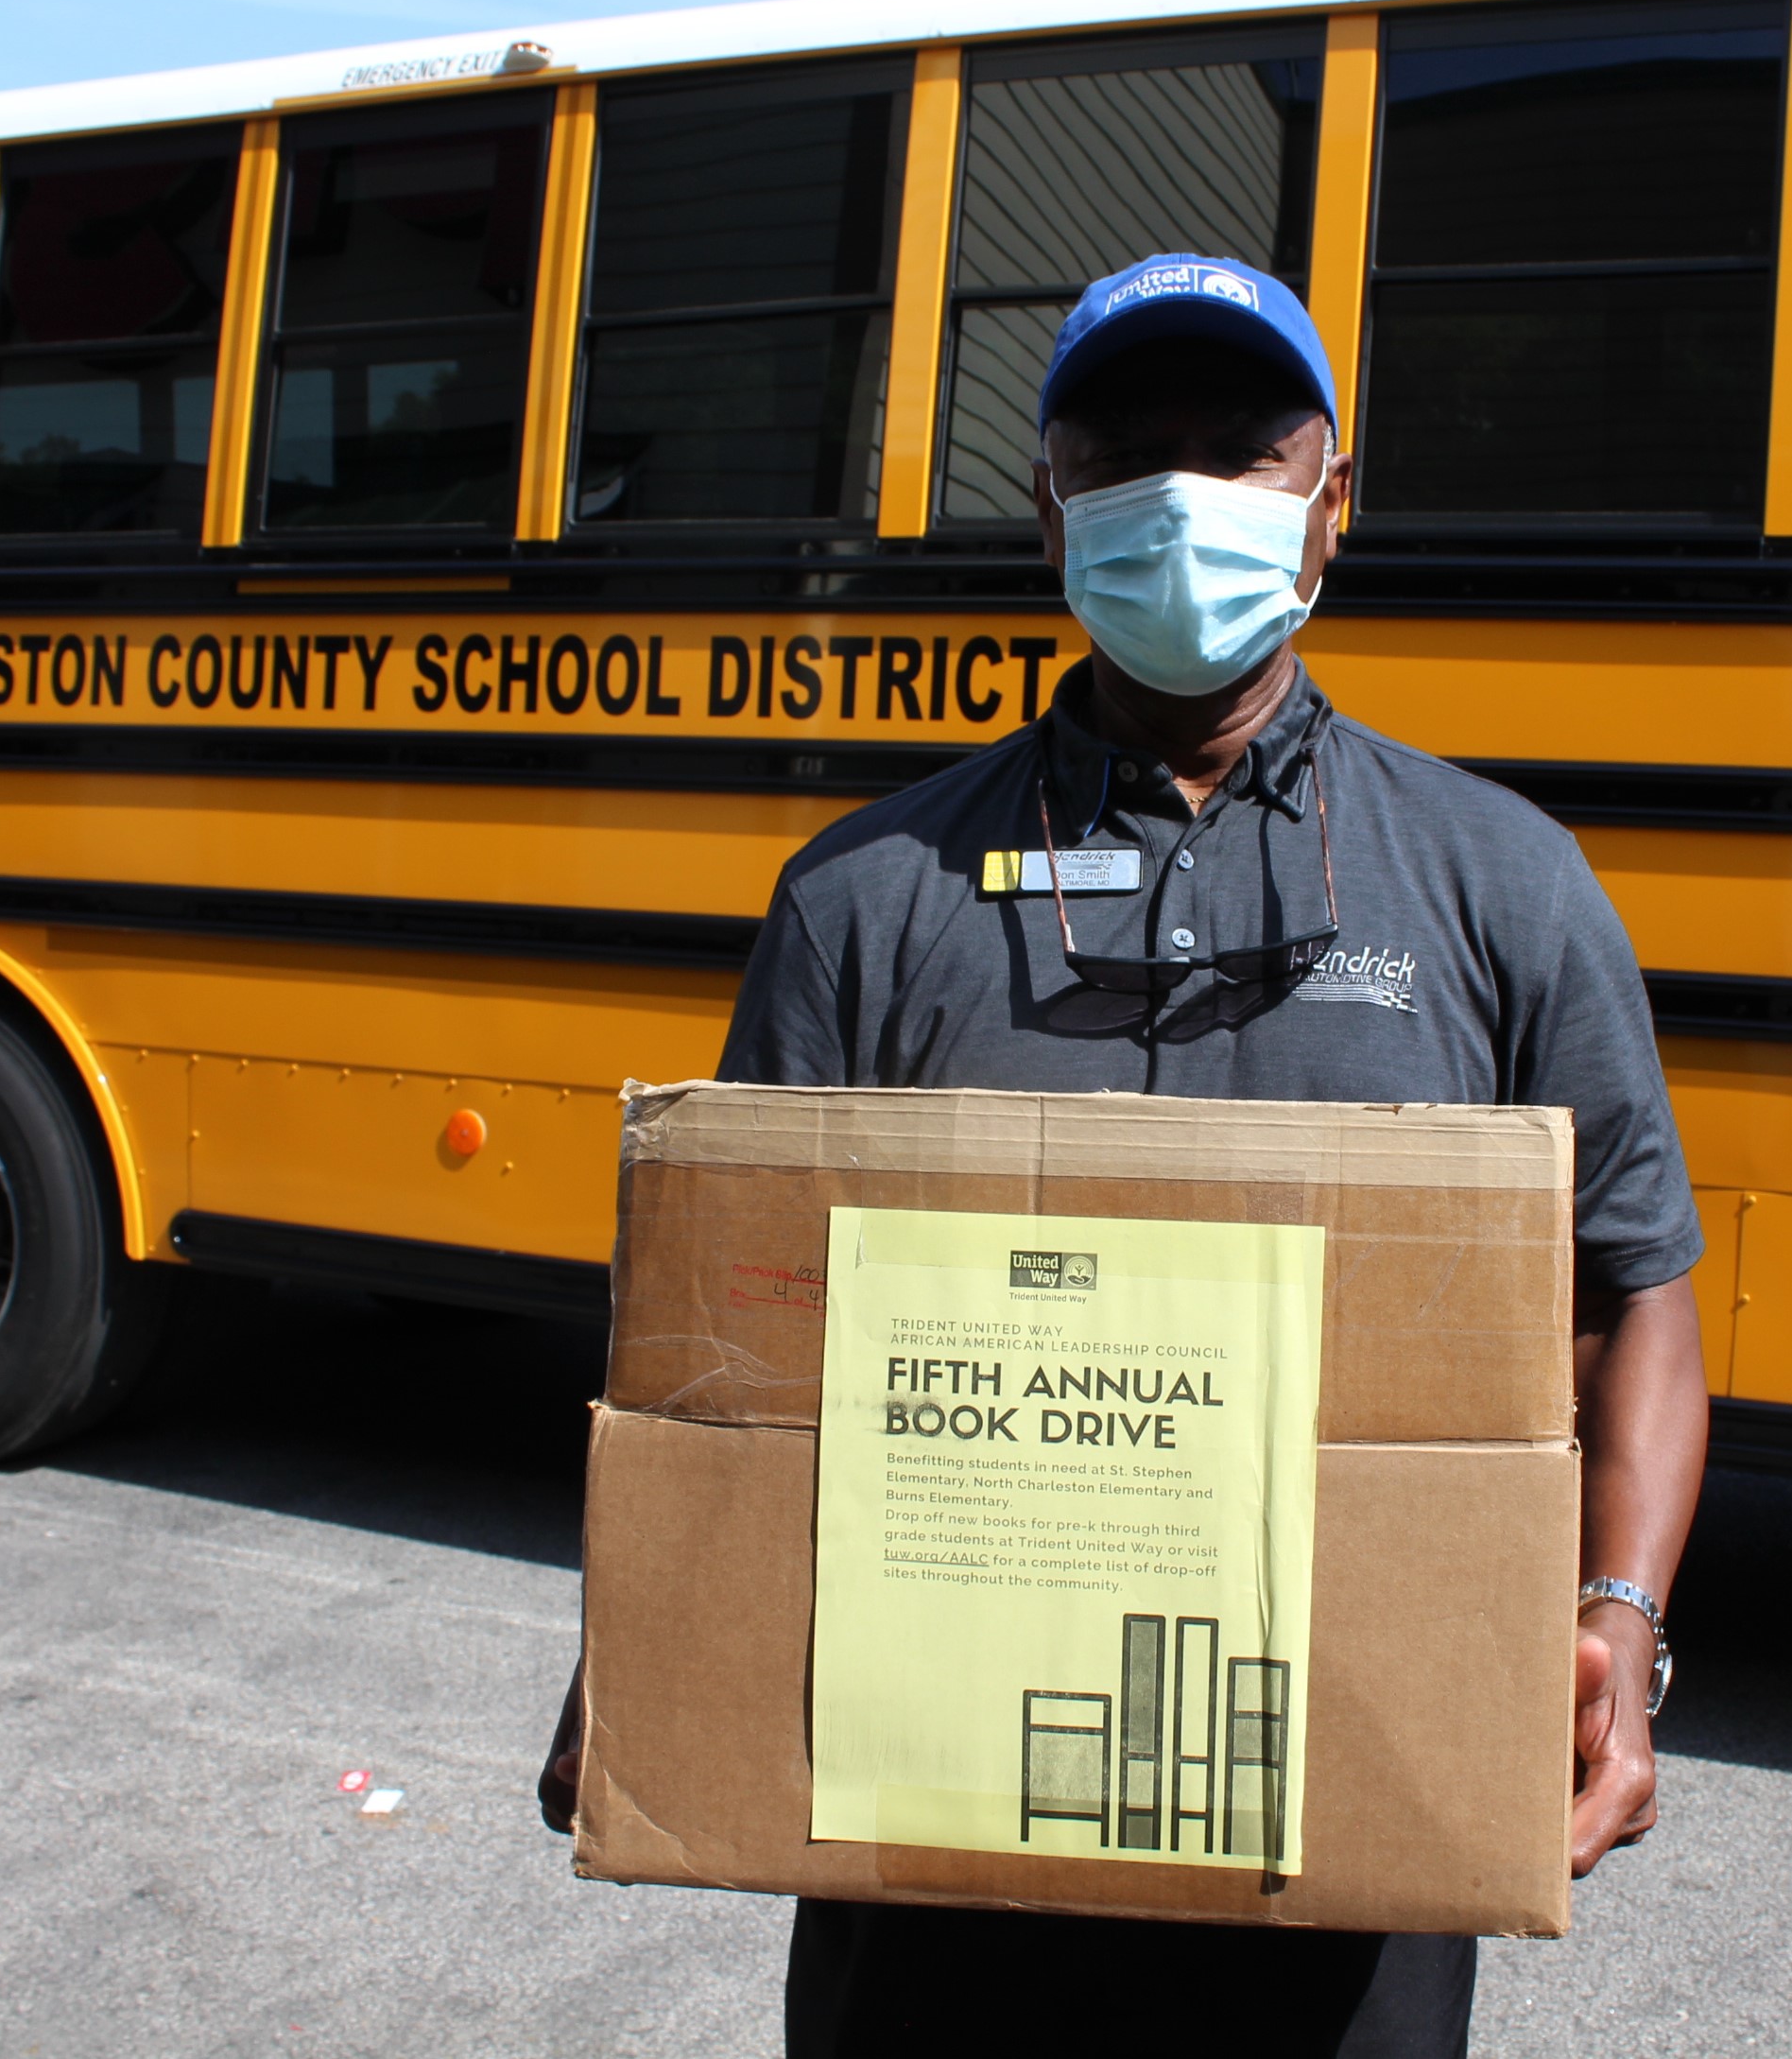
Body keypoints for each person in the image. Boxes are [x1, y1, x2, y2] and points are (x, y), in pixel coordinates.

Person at [542, 252, 1709, 2058]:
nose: (1185, 499)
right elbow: (728, 1335)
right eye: (1123, 453)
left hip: (1350, 1820)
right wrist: (643, 1647)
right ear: (1048, 514)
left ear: (1334, 508)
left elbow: (1634, 1286)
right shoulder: (865, 898)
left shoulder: (1500, 883)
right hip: (930, 1840)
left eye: (1243, 452)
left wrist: (1618, 1631)